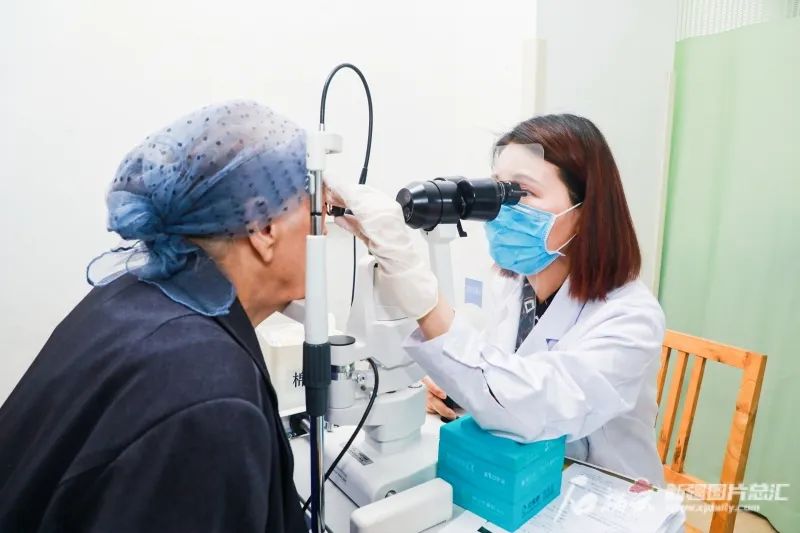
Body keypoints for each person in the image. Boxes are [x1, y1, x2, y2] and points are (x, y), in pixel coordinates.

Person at [0, 101, 310, 532]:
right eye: (317, 211)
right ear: (262, 227)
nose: (324, 229)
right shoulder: (212, 401)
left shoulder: (131, 294)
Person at [332, 114, 666, 485]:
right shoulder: (513, 287)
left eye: (522, 192)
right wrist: (451, 390)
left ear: (586, 211)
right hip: (526, 480)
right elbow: (497, 377)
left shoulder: (632, 317)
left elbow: (537, 406)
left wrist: (420, 292)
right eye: (498, 190)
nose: (502, 209)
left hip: (608, 494)